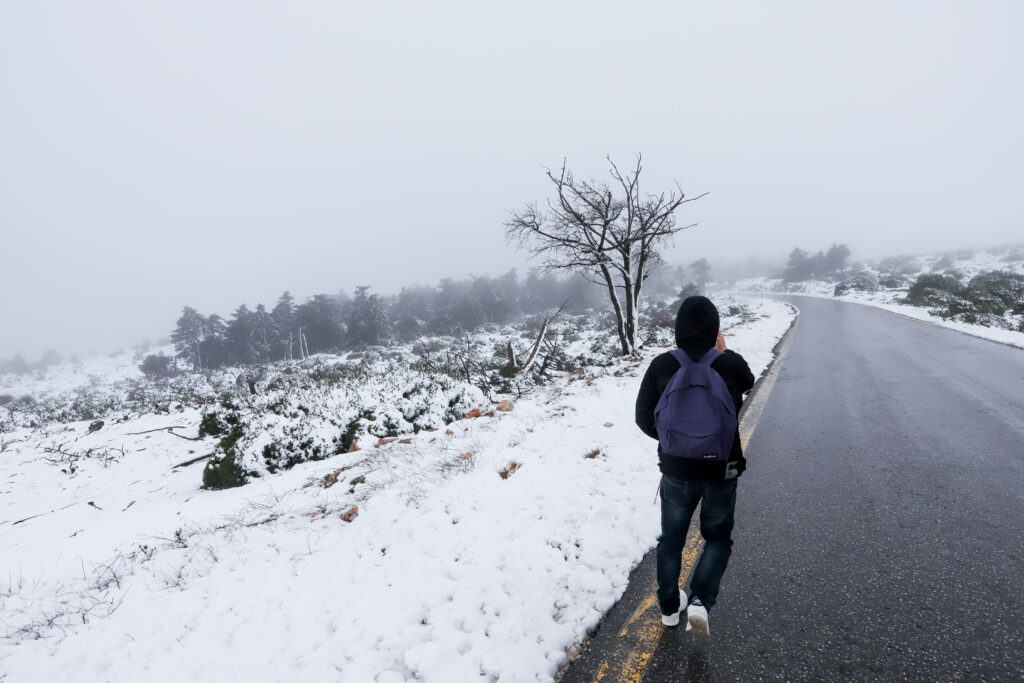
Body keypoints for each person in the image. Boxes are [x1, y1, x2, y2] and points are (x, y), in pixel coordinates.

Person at [634, 295, 755, 636]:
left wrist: (674, 440)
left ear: (679, 329)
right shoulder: (730, 363)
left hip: (676, 471)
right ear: (716, 328)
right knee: (717, 538)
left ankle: (670, 609)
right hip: (722, 469)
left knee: (671, 542)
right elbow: (749, 383)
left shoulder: (662, 365)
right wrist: (724, 351)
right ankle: (701, 600)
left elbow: (643, 417)